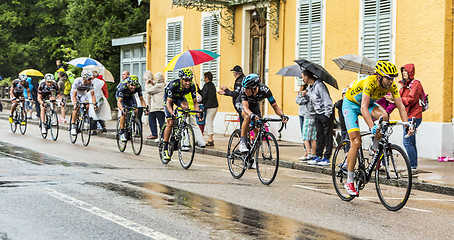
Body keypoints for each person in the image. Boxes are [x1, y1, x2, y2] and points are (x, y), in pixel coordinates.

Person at [342, 61, 414, 196]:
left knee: (384, 116)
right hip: (351, 105)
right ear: (379, 76)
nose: (391, 81)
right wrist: (372, 127)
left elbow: (400, 106)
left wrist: (406, 125)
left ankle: (374, 147)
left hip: (368, 104)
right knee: (356, 142)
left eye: (392, 78)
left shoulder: (391, 85)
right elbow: (363, 107)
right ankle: (350, 181)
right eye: (388, 78)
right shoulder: (370, 82)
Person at [236, 73, 289, 154]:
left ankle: (252, 155)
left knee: (258, 131)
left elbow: (275, 106)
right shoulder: (243, 91)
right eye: (244, 88)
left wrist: (282, 115)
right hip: (242, 104)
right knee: (248, 117)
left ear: (254, 88)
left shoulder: (265, 90)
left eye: (247, 88)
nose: (245, 90)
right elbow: (245, 108)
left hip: (254, 105)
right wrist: (252, 115)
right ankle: (242, 143)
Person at [161, 69, 202, 161]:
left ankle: (181, 127)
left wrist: (198, 115)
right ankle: (165, 147)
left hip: (179, 98)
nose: (188, 82)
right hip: (169, 99)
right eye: (185, 80)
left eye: (190, 80)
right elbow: (168, 103)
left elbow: (195, 103)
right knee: (170, 122)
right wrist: (171, 113)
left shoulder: (192, 86)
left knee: (186, 107)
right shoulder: (173, 85)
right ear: (181, 79)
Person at [302, 70, 333, 167]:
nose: (302, 78)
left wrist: (327, 115)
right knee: (319, 136)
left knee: (327, 136)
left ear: (307, 77)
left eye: (303, 76)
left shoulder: (319, 85)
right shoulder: (310, 87)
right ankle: (319, 156)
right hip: (317, 114)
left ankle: (327, 157)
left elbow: (327, 100)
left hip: (325, 113)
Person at [399, 63, 424, 174]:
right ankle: (413, 166)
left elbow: (411, 99)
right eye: (403, 71)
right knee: (411, 142)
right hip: (408, 116)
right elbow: (398, 98)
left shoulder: (416, 83)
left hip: (414, 116)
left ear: (410, 72)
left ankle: (412, 168)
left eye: (405, 71)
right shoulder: (404, 85)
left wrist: (399, 100)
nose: (404, 73)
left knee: (407, 142)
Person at [116, 74, 148, 142]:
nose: (133, 87)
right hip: (122, 97)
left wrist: (145, 109)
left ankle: (131, 123)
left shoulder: (138, 86)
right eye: (131, 85)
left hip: (130, 97)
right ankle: (122, 132)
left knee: (135, 110)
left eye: (134, 85)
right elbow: (119, 102)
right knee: (124, 112)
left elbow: (141, 99)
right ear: (128, 83)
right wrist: (122, 110)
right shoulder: (123, 86)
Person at [70, 70, 98, 136]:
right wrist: (75, 104)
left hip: (83, 94)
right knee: (76, 108)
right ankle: (73, 126)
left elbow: (92, 95)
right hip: (75, 94)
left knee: (87, 105)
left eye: (91, 79)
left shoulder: (91, 83)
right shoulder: (77, 81)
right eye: (89, 79)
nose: (90, 80)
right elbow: (74, 95)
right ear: (84, 79)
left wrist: (94, 104)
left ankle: (85, 118)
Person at [296, 82, 317, 161]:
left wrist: (303, 95)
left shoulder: (308, 96)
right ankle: (312, 153)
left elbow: (299, 101)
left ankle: (308, 153)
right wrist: (301, 94)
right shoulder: (311, 95)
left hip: (307, 116)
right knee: (312, 137)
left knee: (306, 136)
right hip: (305, 115)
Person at [197, 71, 218, 146]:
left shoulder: (211, 86)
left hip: (212, 107)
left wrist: (204, 108)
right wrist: (198, 89)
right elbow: (203, 93)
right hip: (208, 107)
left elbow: (210, 99)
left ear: (207, 78)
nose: (203, 79)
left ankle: (210, 139)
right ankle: (210, 138)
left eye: (204, 77)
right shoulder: (206, 85)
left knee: (208, 121)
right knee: (208, 121)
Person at [144, 72, 165, 140]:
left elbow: (148, 91)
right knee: (154, 119)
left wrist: (147, 85)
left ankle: (160, 135)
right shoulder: (163, 84)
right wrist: (153, 83)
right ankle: (157, 134)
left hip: (158, 107)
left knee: (160, 122)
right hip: (157, 107)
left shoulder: (159, 86)